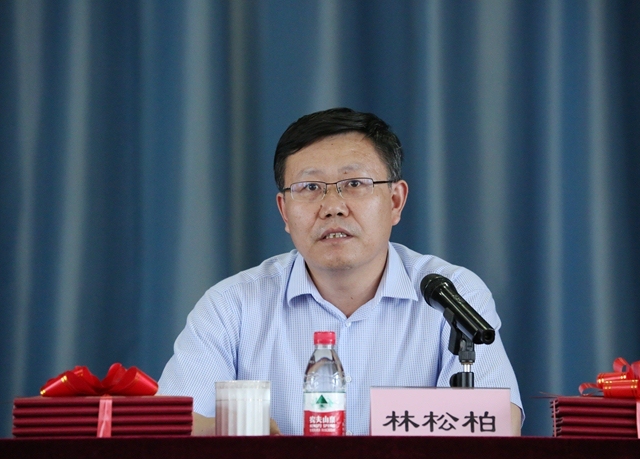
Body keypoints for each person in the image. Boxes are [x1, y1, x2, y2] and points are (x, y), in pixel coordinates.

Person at [157, 107, 523, 436]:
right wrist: (237, 428)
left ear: (395, 201)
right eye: (309, 187)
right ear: (284, 211)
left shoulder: (449, 294)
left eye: (355, 184)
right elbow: (170, 425)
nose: (332, 206)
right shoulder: (232, 305)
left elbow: (498, 422)